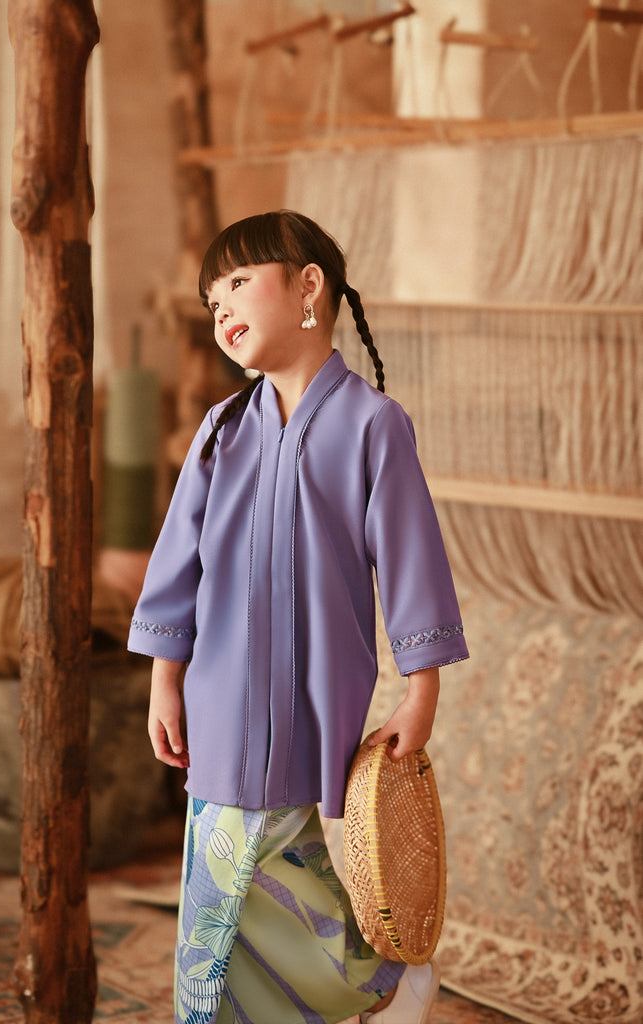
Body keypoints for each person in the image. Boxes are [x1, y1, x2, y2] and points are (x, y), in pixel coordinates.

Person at [127, 210, 469, 1024]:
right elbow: (176, 566)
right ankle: (371, 988)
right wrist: (164, 681)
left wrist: (420, 690)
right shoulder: (219, 431)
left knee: (255, 860)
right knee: (238, 870)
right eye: (212, 303)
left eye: (238, 284)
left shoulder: (372, 426)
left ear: (307, 286)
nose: (222, 311)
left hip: (313, 694)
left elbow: (411, 560)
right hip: (219, 696)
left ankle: (375, 985)